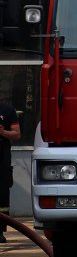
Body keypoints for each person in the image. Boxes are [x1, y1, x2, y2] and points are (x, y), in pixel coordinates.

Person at [0, 101, 21, 243]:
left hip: (1, 158)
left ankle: (0, 230)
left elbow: (17, 134)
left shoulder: (7, 109)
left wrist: (2, 132)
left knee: (1, 195)